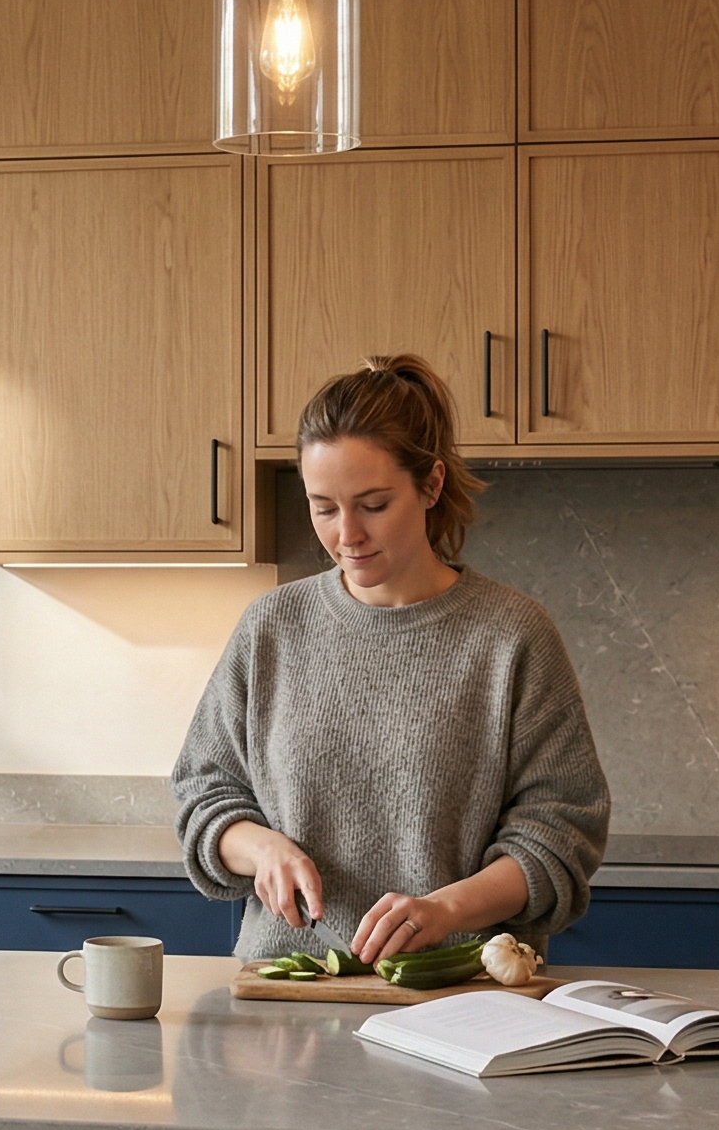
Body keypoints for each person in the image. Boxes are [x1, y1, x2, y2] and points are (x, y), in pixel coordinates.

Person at [171, 354, 609, 965]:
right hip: (289, 988)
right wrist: (262, 849)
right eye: (323, 507)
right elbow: (205, 793)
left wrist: (446, 911)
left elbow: (562, 831)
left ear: (430, 485)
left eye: (373, 504)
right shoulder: (272, 627)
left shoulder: (512, 636)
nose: (346, 533)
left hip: (459, 994)